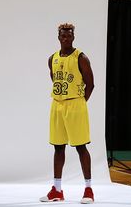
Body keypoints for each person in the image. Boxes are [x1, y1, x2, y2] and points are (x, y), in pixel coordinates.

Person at [40, 23, 95, 204]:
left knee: (80, 147)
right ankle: (57, 190)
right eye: (63, 35)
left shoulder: (81, 57)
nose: (66, 38)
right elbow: (54, 79)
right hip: (57, 104)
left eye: (69, 35)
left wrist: (79, 103)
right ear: (59, 37)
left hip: (75, 105)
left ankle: (88, 189)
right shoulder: (52, 58)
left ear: (73, 37)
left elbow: (90, 84)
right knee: (58, 147)